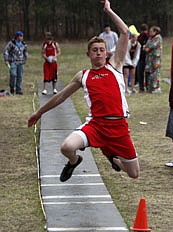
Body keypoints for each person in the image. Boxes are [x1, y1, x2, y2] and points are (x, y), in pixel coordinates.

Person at [28, 0, 140, 182]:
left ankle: (112, 158)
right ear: (88, 54)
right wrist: (39, 112)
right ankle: (74, 162)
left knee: (134, 174)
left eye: (101, 50)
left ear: (106, 53)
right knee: (66, 147)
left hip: (118, 127)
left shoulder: (115, 66)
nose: (98, 53)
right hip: (96, 125)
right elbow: (61, 96)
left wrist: (108, 10)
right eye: (94, 50)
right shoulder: (83, 76)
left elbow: (125, 32)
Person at [145, 26, 162, 93]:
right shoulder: (150, 38)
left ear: (155, 32)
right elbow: (146, 46)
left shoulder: (158, 37)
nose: (150, 33)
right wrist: (146, 47)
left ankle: (156, 88)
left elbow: (152, 46)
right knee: (150, 73)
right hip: (150, 60)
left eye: (151, 31)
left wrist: (147, 48)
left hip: (156, 59)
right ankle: (150, 88)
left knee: (155, 74)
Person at [137, 23, 149, 93]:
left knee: (141, 73)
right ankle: (146, 87)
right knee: (145, 73)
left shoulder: (140, 37)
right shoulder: (149, 36)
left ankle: (142, 88)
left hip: (141, 57)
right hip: (145, 57)